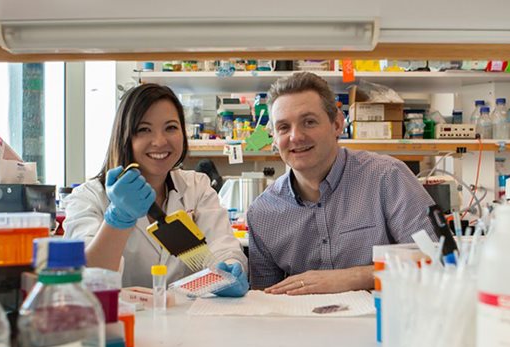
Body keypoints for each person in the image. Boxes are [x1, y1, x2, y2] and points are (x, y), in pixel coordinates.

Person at [246, 72, 435, 295]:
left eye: (309, 122)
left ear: (337, 124)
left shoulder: (387, 178)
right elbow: (264, 302)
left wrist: (355, 277)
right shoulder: (262, 213)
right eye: (284, 127)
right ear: (274, 138)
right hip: (303, 328)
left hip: (383, 323)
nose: (295, 137)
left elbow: (438, 260)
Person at [64, 83, 248, 296]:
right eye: (144, 130)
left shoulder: (197, 187)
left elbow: (222, 247)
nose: (160, 141)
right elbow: (87, 278)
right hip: (123, 320)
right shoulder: (88, 197)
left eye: (170, 127)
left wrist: (230, 267)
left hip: (188, 320)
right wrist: (118, 219)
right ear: (124, 136)